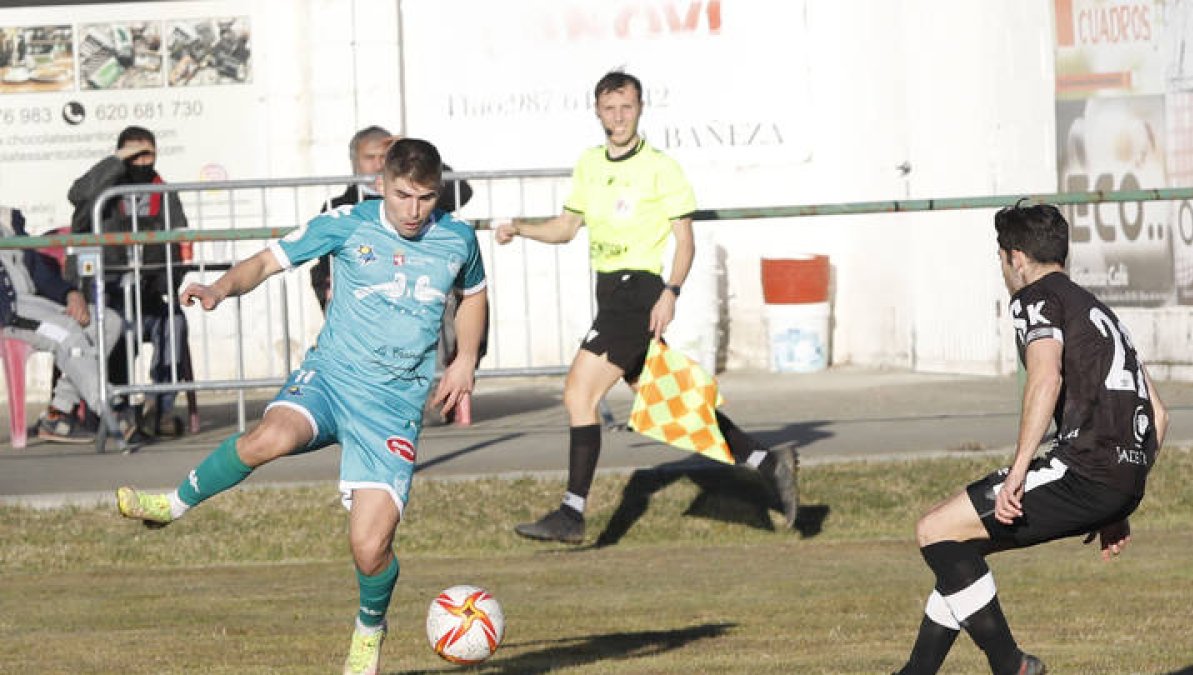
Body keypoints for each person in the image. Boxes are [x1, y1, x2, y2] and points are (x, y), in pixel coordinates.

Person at [115, 138, 488, 675]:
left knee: (369, 548)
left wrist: (465, 358)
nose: (413, 210)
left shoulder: (456, 238)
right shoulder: (345, 223)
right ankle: (171, 504)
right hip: (331, 378)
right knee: (269, 437)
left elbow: (473, 295)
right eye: (403, 195)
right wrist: (221, 287)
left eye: (425, 198)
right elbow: (268, 261)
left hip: (391, 408)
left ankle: (369, 628)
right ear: (381, 184)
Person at [494, 70, 798, 545]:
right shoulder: (590, 164)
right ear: (597, 111)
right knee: (665, 399)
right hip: (609, 291)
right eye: (610, 108)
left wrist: (670, 292)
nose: (618, 117)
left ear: (640, 109)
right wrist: (520, 228)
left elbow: (684, 241)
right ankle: (768, 460)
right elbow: (566, 226)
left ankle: (572, 512)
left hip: (640, 292)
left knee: (579, 394)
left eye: (627, 107)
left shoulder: (661, 167)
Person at [892, 203, 1169, 675]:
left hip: (1083, 469)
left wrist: (1018, 471)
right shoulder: (1098, 310)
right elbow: (1158, 414)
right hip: (1120, 476)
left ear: (1016, 258)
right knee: (957, 547)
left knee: (934, 530)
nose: (1003, 269)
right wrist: (1120, 503)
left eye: (1001, 258)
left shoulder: (1036, 297)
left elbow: (1045, 379)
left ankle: (1011, 665)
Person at [312, 126, 480, 424]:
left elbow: (460, 190)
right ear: (355, 162)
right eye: (369, 157)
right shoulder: (338, 207)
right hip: (365, 301)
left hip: (419, 292)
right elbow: (321, 262)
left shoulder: (419, 199)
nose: (377, 162)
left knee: (436, 323)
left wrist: (412, 153)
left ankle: (429, 403)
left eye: (383, 156)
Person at [67, 125, 191, 440]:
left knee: (174, 324)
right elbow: (77, 195)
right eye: (133, 154)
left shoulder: (163, 192)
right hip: (107, 295)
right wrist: (114, 162)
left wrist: (167, 283)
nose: (141, 160)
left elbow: (180, 241)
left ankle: (158, 409)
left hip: (149, 293)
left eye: (147, 153)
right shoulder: (104, 193)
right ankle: (118, 407)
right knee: (115, 328)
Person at [0, 206, 122, 443]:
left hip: (35, 303)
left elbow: (39, 271)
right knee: (67, 333)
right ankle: (111, 408)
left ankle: (59, 412)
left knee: (108, 322)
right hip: (8, 312)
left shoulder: (8, 220)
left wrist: (70, 293)